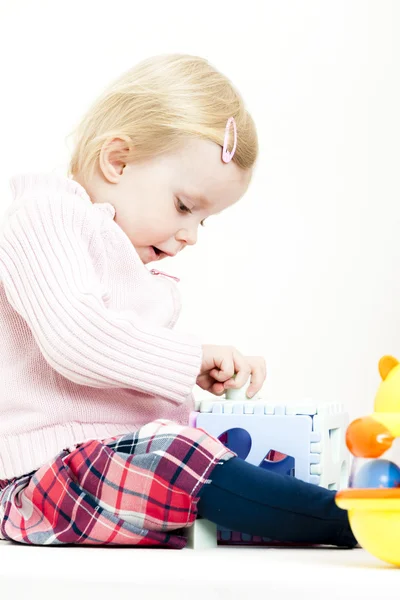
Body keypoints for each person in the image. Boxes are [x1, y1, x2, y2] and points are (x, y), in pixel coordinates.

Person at [0, 54, 356, 548]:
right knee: (175, 454)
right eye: (184, 206)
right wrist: (189, 360)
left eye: (203, 220)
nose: (191, 235)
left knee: (208, 451)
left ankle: (330, 508)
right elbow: (75, 338)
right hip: (38, 480)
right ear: (117, 161)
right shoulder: (45, 217)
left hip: (112, 471)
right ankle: (343, 521)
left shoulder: (136, 270)